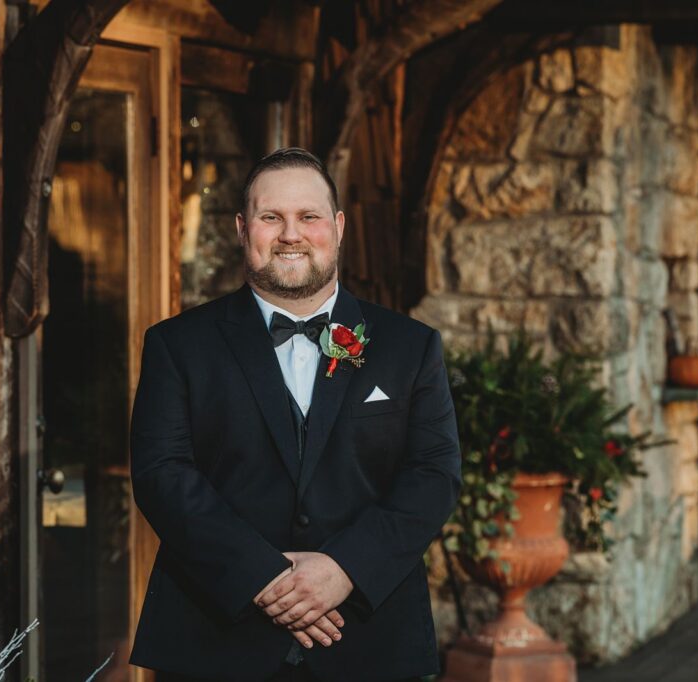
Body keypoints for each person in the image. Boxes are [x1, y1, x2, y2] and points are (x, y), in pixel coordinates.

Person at [128, 147, 461, 681]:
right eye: (271, 217)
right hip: (217, 639)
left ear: (338, 226)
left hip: (366, 636)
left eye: (308, 216)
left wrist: (344, 569)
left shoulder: (411, 347)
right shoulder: (177, 344)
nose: (291, 234)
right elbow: (162, 475)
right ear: (243, 228)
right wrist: (262, 577)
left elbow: (433, 475)